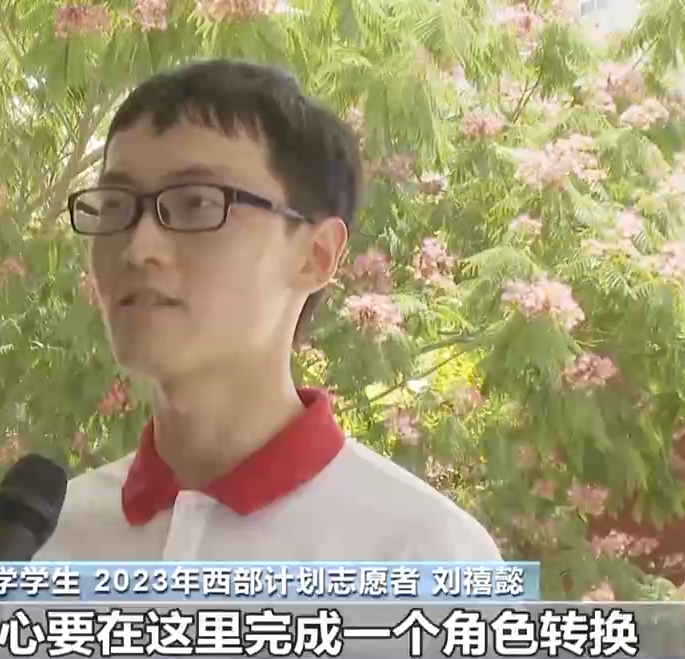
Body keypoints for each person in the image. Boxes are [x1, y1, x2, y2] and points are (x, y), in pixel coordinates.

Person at [34, 59, 501, 562]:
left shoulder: (429, 556)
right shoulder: (47, 541)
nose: (138, 246)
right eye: (115, 206)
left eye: (198, 203)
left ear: (316, 255)